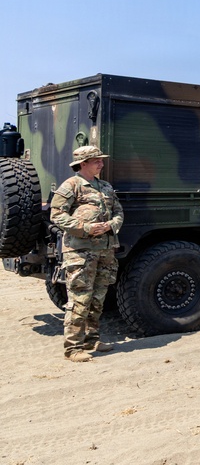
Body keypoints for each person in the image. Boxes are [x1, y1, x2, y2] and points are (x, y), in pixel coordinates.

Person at [49, 145, 124, 362]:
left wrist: (111, 225)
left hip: (105, 251)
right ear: (84, 164)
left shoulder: (105, 186)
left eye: (101, 160)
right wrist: (86, 228)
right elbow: (57, 215)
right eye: (96, 161)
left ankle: (93, 339)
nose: (101, 163)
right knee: (80, 298)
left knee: (98, 298)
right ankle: (73, 348)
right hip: (80, 252)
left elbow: (118, 211)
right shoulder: (72, 185)